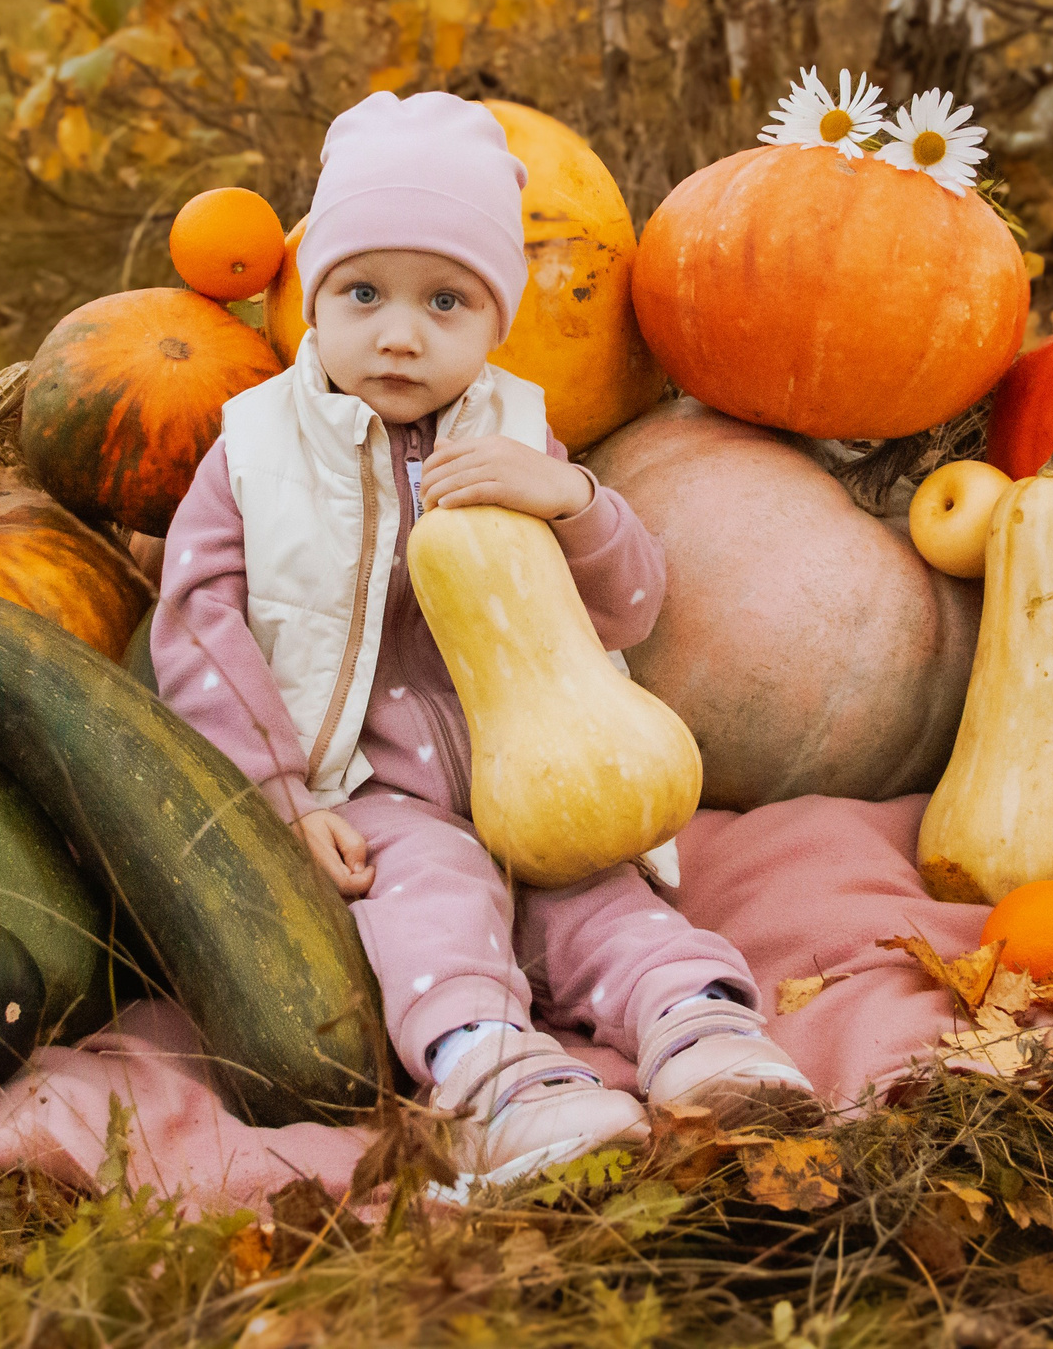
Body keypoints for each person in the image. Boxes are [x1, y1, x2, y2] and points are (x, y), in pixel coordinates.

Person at [149, 91, 814, 1175]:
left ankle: (700, 1029)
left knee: (601, 901)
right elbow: (198, 627)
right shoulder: (259, 448)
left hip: (540, 757)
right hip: (370, 780)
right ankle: (496, 1077)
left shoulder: (523, 434)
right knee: (430, 906)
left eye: (446, 301)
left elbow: (631, 605)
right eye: (362, 293)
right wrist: (278, 797)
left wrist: (570, 500)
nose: (400, 332)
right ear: (312, 299)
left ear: (498, 320)